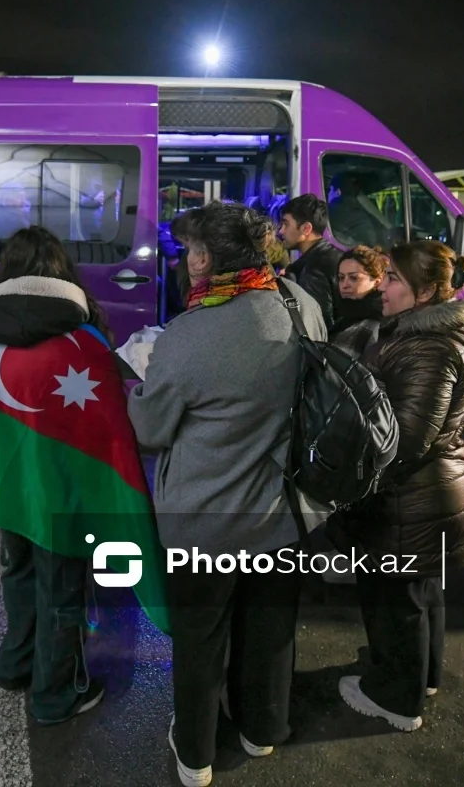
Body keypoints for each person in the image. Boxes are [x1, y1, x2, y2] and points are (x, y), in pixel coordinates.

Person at [127, 201, 327, 787]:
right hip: (283, 513)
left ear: (208, 258)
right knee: (268, 631)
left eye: (192, 249)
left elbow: (151, 429)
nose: (187, 261)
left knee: (201, 638)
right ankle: (261, 731)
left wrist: (142, 386)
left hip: (204, 521)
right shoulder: (301, 305)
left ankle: (195, 754)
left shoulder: (192, 332)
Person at [0, 226, 164, 725]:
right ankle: (55, 694)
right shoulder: (83, 345)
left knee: (17, 574)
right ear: (63, 274)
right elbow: (111, 432)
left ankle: (14, 666)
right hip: (63, 498)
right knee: (62, 591)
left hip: (6, 492)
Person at [330, 240, 464, 733]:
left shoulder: (429, 348)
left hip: (412, 498)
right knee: (419, 596)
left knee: (394, 603)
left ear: (423, 292)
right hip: (429, 493)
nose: (383, 286)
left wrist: (351, 475)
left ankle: (396, 700)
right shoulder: (420, 334)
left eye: (394, 279)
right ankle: (422, 676)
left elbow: (405, 441)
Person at [278, 194, 343, 332]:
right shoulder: (332, 255)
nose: (281, 231)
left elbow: (317, 324)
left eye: (286, 224)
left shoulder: (313, 268)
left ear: (306, 228)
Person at [331, 245, 386, 357]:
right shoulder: (344, 316)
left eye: (354, 278)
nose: (345, 285)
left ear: (376, 281)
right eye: (341, 278)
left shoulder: (375, 325)